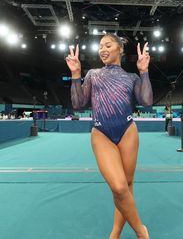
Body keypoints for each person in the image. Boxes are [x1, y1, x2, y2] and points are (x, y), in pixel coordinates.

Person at [66, 33, 153, 239]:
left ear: (120, 49)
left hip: (127, 131)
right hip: (101, 132)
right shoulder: (93, 74)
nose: (102, 50)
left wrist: (144, 72)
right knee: (119, 186)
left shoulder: (131, 78)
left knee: (127, 184)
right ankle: (142, 231)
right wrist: (76, 75)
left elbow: (147, 101)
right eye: (100, 47)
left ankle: (115, 233)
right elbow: (78, 104)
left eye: (107, 45)